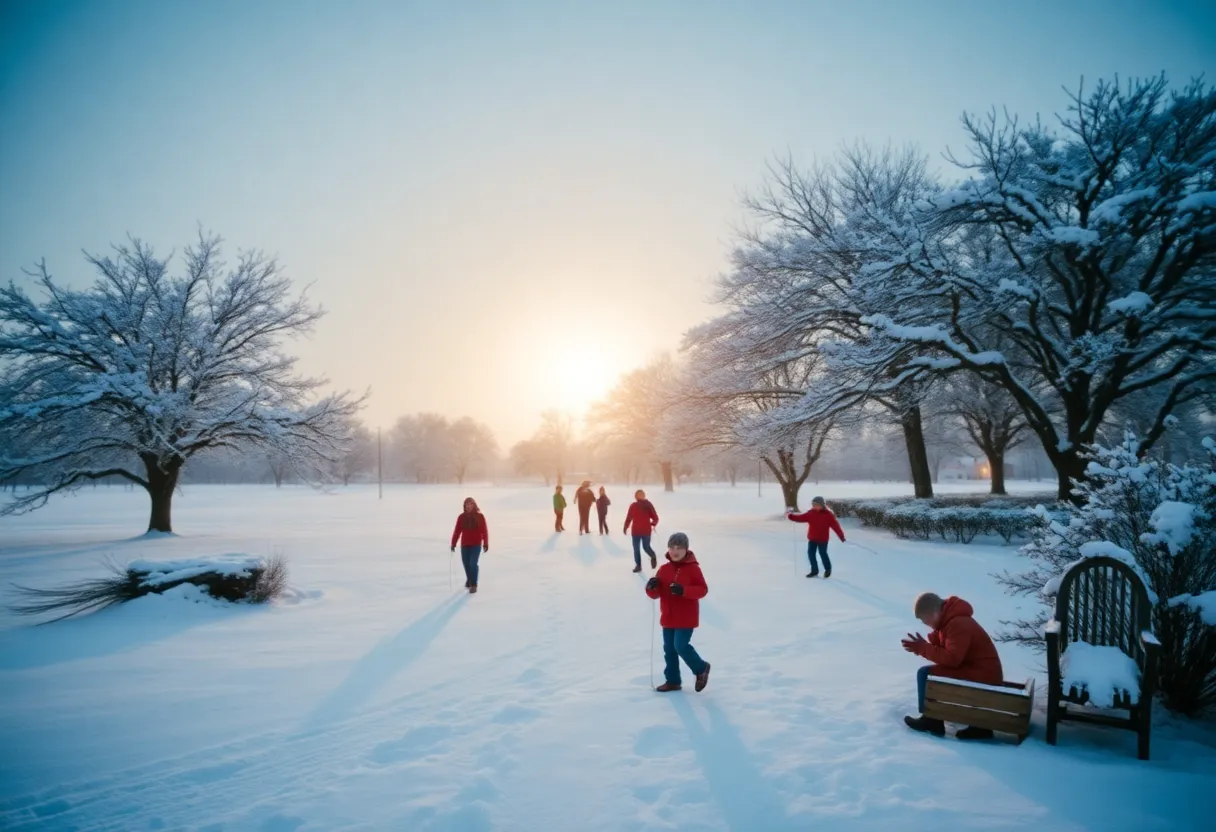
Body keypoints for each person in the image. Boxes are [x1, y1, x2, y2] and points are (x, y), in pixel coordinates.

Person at [902, 592, 1004, 739]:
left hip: (983, 675)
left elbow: (952, 659)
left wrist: (923, 648)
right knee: (930, 673)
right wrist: (933, 641)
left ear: (935, 612)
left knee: (926, 674)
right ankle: (936, 719)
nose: (927, 624)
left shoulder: (958, 624)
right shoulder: (951, 622)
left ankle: (931, 719)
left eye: (926, 620)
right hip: (982, 672)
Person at [645, 532, 711, 693]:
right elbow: (655, 594)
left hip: (685, 617)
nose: (675, 551)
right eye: (672, 547)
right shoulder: (664, 569)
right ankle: (673, 681)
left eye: (679, 548)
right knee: (669, 649)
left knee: (680, 646)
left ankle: (701, 668)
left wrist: (684, 591)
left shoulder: (693, 569)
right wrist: (651, 587)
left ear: (686, 549)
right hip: (668, 616)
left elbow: (703, 590)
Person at [787, 495, 845, 578]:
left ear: (822, 505)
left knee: (823, 553)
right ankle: (814, 570)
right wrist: (791, 516)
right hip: (812, 538)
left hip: (823, 539)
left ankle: (828, 570)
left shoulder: (828, 515)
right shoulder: (811, 513)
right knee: (811, 554)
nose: (815, 506)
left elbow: (836, 526)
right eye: (813, 505)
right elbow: (801, 518)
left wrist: (841, 536)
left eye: (817, 505)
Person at [450, 497, 489, 594]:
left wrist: (486, 543)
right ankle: (469, 579)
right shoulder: (461, 517)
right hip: (465, 544)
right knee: (466, 564)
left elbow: (484, 531)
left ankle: (474, 584)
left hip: (476, 544)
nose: (468, 506)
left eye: (470, 504)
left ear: (474, 505)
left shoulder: (480, 517)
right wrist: (453, 543)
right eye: (467, 504)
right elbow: (457, 531)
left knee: (473, 564)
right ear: (464, 506)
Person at [623, 489, 660, 573]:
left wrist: (653, 523)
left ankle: (653, 556)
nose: (641, 496)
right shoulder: (633, 506)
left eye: (642, 494)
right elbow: (629, 517)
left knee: (646, 547)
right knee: (636, 549)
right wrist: (625, 527)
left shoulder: (648, 505)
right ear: (636, 496)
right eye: (639, 494)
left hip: (646, 531)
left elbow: (655, 517)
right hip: (635, 531)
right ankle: (638, 565)